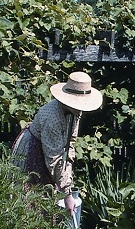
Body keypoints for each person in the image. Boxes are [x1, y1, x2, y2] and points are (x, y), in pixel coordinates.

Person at [11, 71, 103, 217]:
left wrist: (67, 176)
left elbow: (69, 144)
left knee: (46, 203)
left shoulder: (74, 112)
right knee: (30, 203)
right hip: (32, 153)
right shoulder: (52, 119)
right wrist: (67, 194)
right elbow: (54, 158)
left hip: (49, 152)